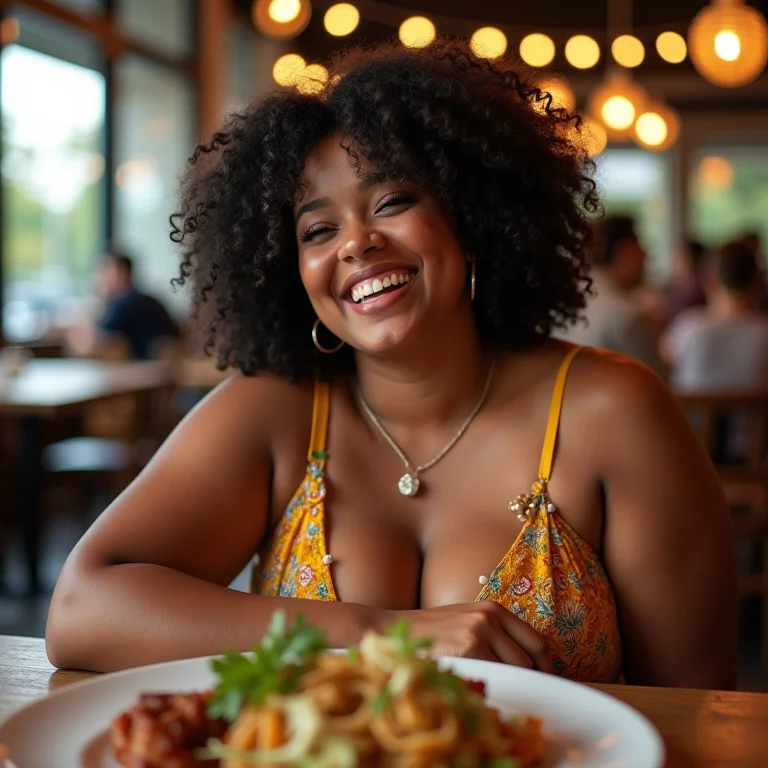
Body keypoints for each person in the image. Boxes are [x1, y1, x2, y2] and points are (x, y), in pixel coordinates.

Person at [46, 40, 736, 689]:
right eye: (318, 229)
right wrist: (376, 633)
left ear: (469, 216)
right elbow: (81, 609)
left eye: (393, 201)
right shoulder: (276, 409)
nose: (357, 243)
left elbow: (700, 710)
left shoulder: (614, 409)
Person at [557, 216, 667, 379]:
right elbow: (660, 386)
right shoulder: (630, 316)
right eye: (640, 246)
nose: (645, 255)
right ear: (625, 250)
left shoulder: (563, 299)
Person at [664, 240, 768, 391]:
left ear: (710, 280)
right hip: (755, 415)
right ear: (757, 285)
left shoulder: (687, 326)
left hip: (688, 415)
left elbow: (662, 364)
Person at [94, 251, 180, 359]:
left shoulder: (125, 304)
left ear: (121, 273)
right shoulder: (147, 300)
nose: (100, 279)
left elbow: (99, 340)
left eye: (104, 272)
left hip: (140, 369)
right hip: (162, 369)